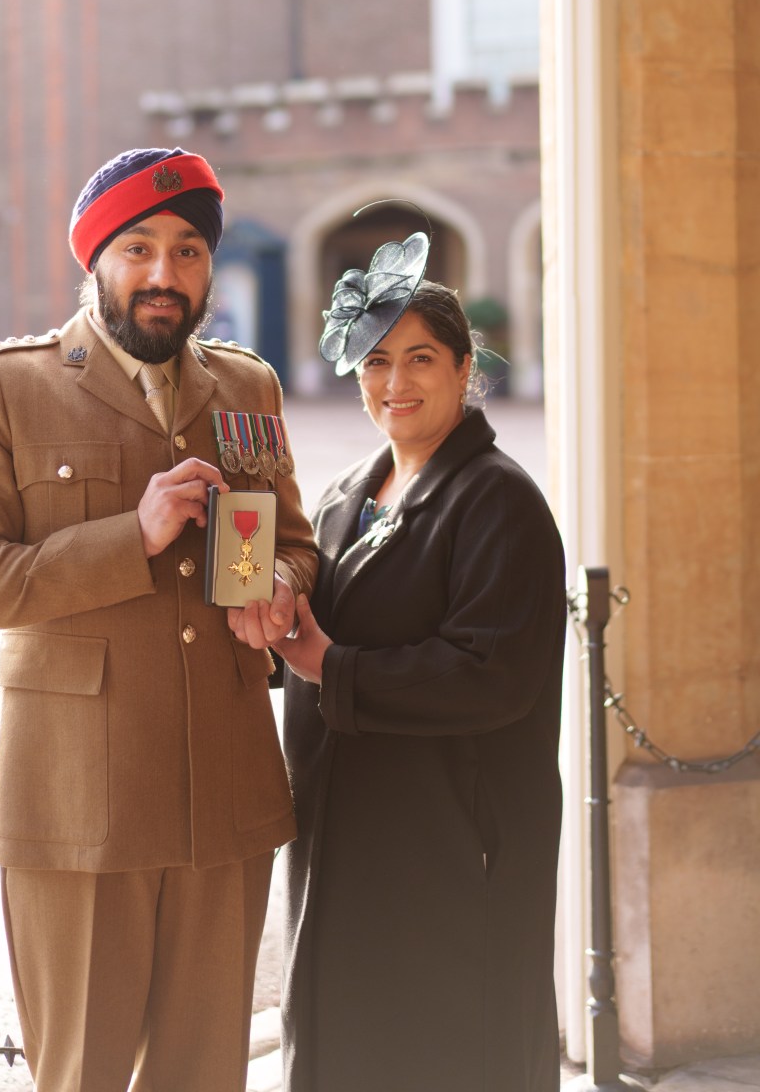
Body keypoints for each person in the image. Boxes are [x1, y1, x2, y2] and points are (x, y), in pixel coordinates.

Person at [0, 146, 317, 1092]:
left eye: (186, 251)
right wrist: (126, 538)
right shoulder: (7, 386)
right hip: (75, 802)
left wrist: (284, 588)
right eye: (136, 249)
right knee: (86, 1076)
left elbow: (293, 541)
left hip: (222, 793)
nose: (162, 276)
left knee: (203, 1077)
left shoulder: (248, 388)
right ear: (94, 260)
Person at [275, 230, 566, 1092]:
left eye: (421, 359)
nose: (394, 384)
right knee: (352, 1038)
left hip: (452, 841)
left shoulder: (499, 500)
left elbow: (490, 673)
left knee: (447, 1044)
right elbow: (310, 634)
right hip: (349, 834)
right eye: (375, 362)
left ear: (465, 366)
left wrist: (334, 668)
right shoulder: (344, 497)